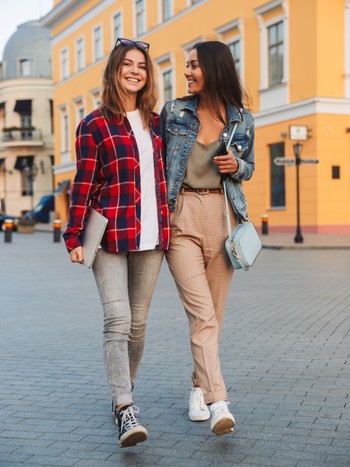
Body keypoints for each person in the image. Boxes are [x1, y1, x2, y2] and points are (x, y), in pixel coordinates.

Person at [63, 38, 170, 448]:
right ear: (114, 70)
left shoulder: (157, 124)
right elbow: (84, 184)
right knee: (118, 320)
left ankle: (124, 392)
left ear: (147, 74)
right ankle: (125, 406)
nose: (135, 71)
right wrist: (74, 236)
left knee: (138, 324)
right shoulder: (95, 123)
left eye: (141, 66)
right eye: (127, 64)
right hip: (107, 235)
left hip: (151, 237)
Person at [160, 41, 255, 436]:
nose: (187, 72)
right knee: (202, 315)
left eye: (194, 65)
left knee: (213, 316)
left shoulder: (242, 119)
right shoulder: (174, 112)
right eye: (186, 65)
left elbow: (247, 170)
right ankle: (220, 402)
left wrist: (239, 164)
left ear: (214, 68)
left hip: (222, 217)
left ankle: (198, 388)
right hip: (180, 217)